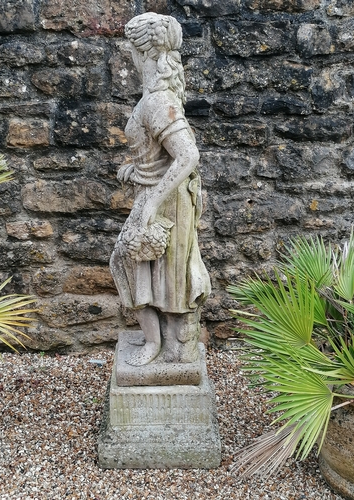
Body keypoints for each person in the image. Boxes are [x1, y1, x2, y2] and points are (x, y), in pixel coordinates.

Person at [109, 13, 211, 367]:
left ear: (143, 53)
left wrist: (152, 198)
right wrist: (136, 170)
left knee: (156, 273)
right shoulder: (155, 97)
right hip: (156, 193)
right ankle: (160, 342)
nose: (131, 58)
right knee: (139, 268)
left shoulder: (157, 101)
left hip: (166, 201)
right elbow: (158, 154)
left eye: (132, 51)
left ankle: (168, 346)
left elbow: (187, 155)